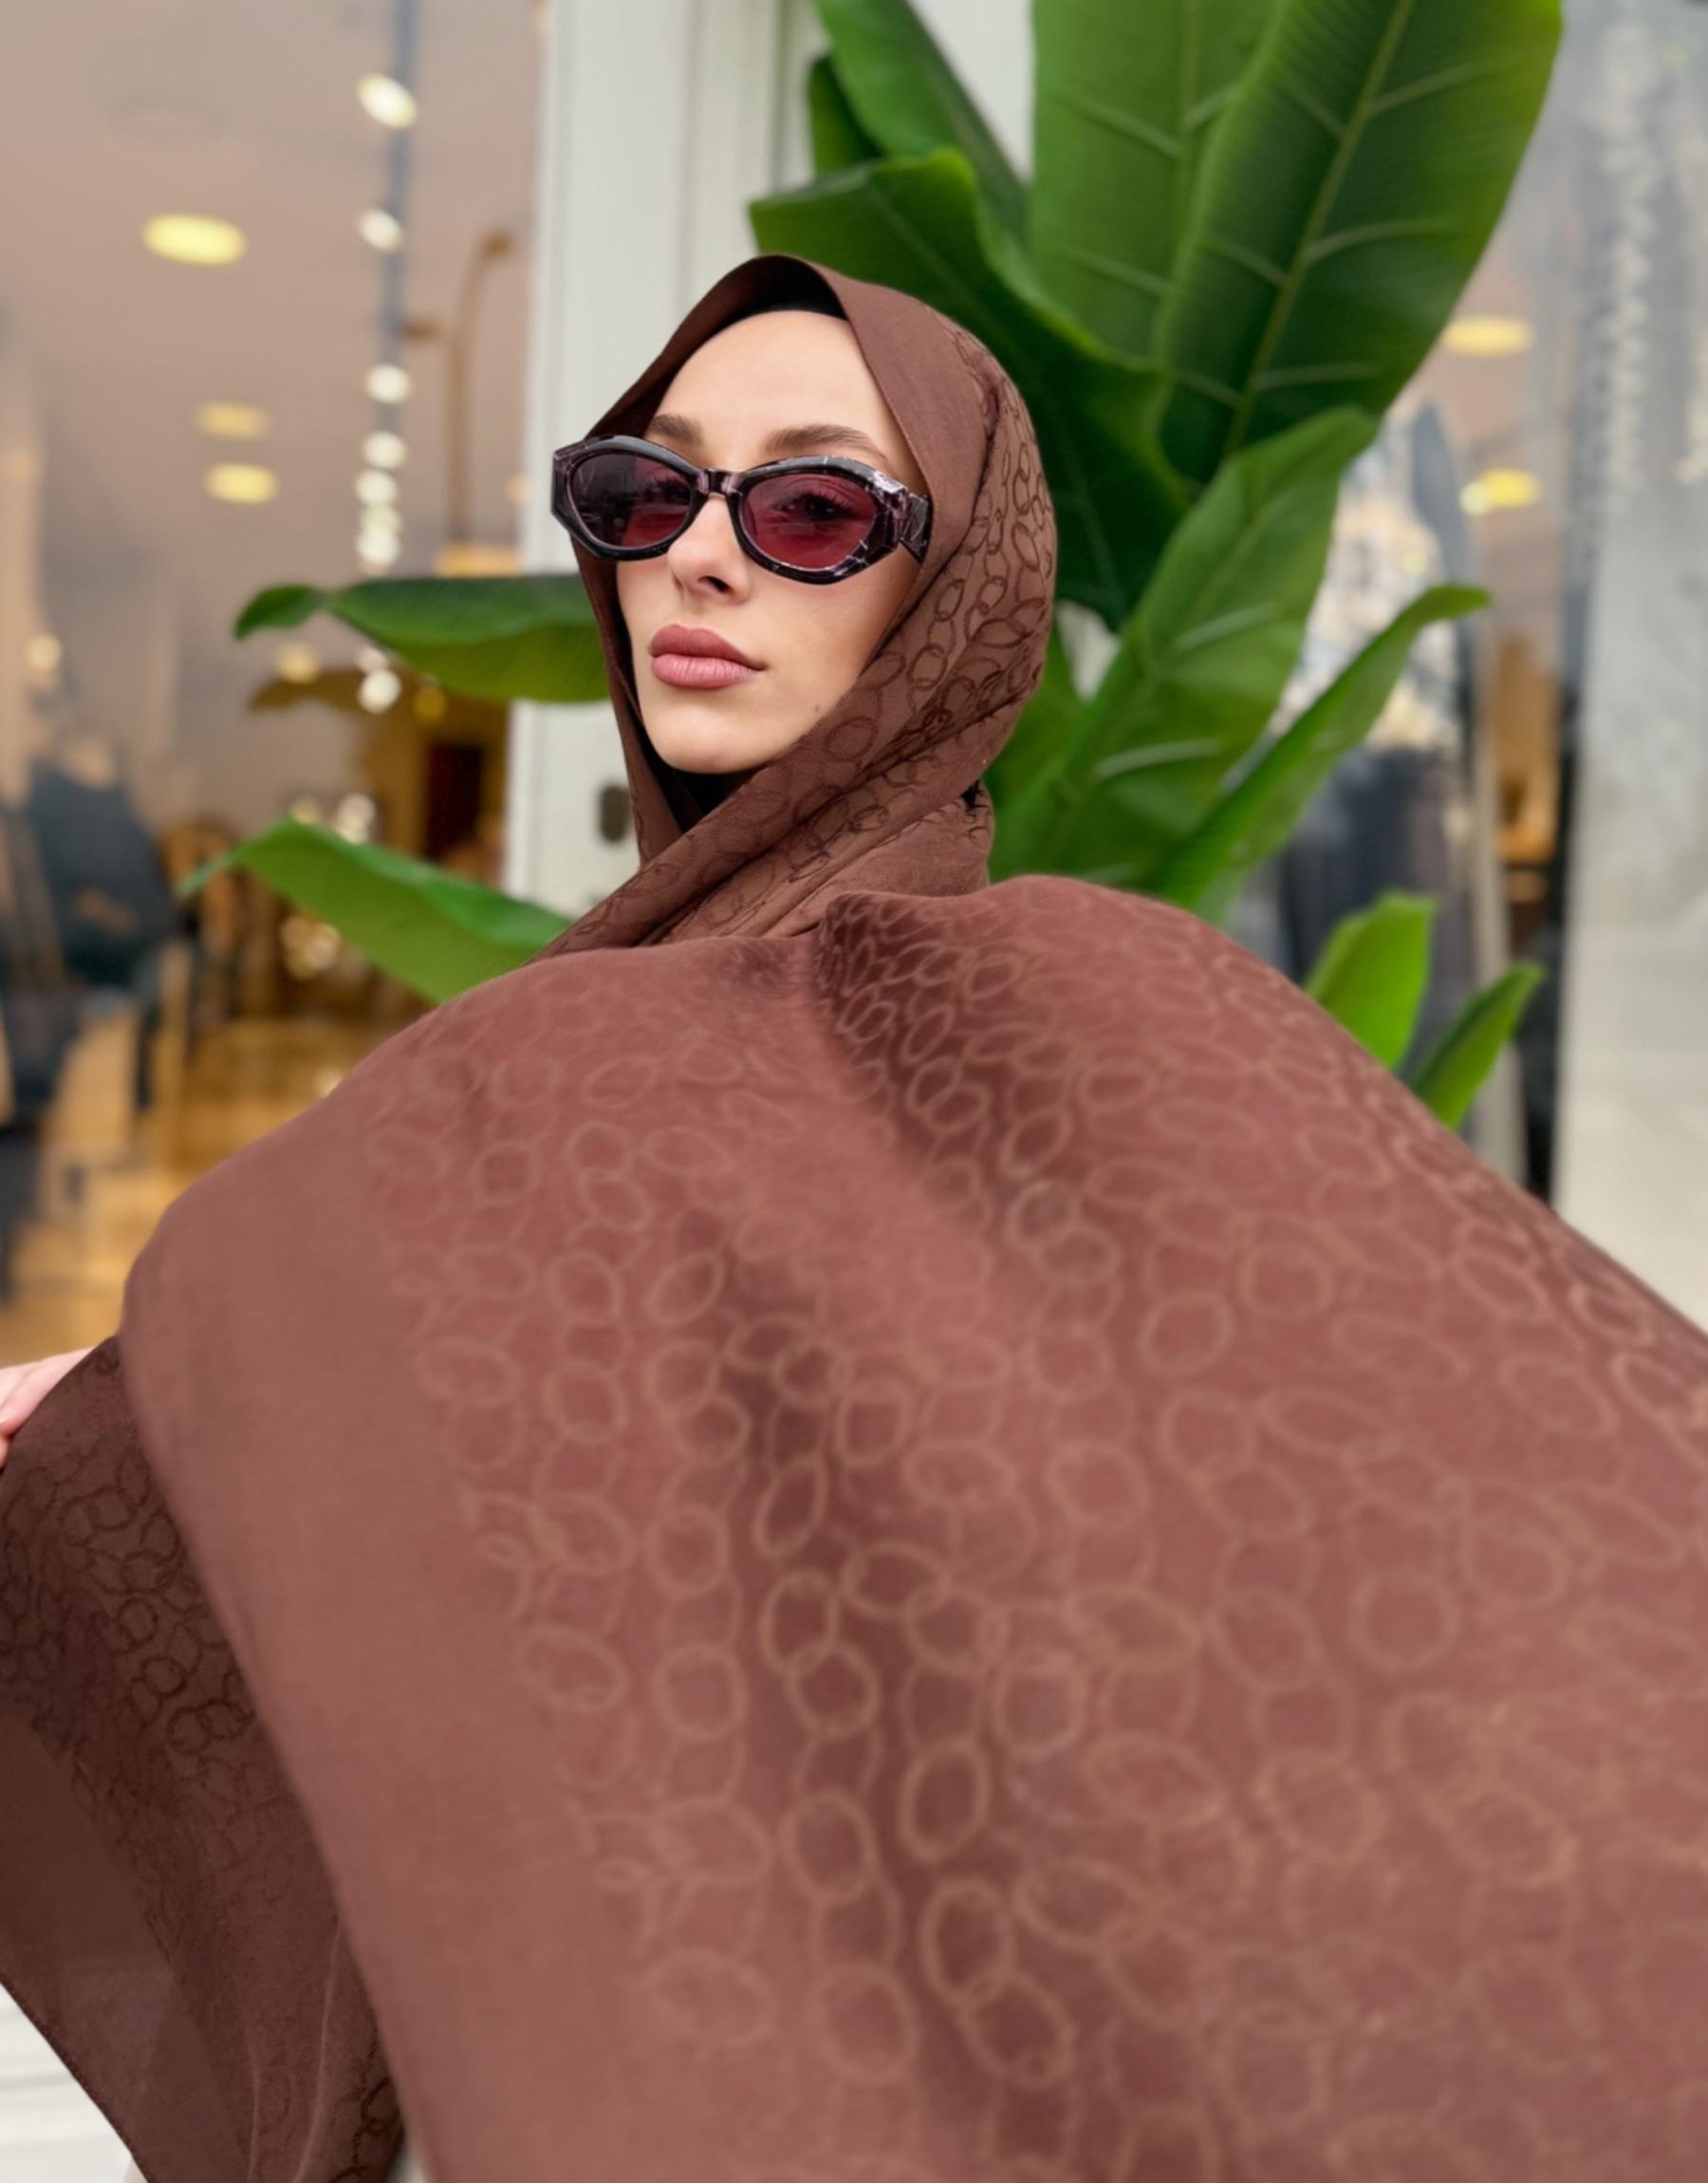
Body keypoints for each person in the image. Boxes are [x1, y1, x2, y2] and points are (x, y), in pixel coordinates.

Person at [2, 252, 1707, 2183]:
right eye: (644, 492)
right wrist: (144, 1413)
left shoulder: (1084, 1007)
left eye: (811, 509)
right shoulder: (576, 1050)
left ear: (949, 589)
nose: (696, 559)